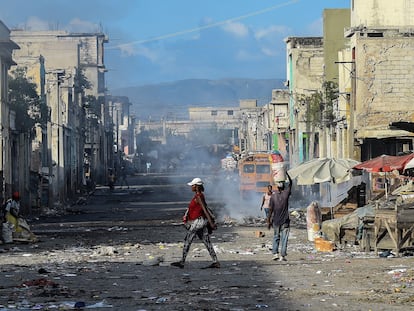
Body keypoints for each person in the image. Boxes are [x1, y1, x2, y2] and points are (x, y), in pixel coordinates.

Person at [171, 177, 220, 269]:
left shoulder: (198, 197)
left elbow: (205, 209)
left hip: (198, 222)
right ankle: (215, 262)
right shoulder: (200, 196)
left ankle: (182, 262)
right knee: (206, 242)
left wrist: (211, 223)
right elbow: (206, 209)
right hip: (201, 222)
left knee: (188, 240)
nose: (191, 187)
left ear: (196, 186)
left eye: (192, 185)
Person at [267, 172, 292, 262]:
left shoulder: (273, 197)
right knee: (284, 239)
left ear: (277, 187)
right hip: (285, 221)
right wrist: (286, 174)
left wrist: (268, 221)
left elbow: (270, 210)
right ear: (283, 187)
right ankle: (283, 256)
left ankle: (275, 253)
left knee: (276, 237)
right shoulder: (286, 195)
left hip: (276, 221)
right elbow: (291, 184)